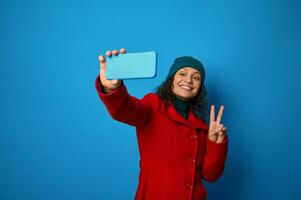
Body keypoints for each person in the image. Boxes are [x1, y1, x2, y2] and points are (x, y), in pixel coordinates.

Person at [95, 48, 228, 200]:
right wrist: (112, 88)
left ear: (199, 88)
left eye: (196, 78)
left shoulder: (201, 126)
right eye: (182, 74)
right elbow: (125, 110)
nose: (189, 80)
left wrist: (215, 142)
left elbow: (210, 176)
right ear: (171, 80)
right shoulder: (153, 106)